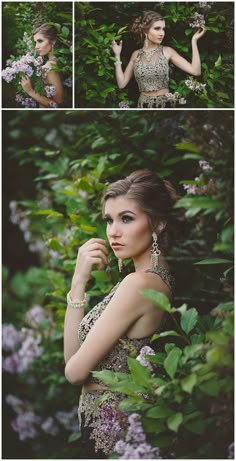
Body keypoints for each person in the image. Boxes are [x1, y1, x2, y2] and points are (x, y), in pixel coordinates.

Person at [64, 170, 179, 458]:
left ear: (159, 223)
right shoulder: (156, 279)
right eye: (109, 220)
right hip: (108, 426)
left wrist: (78, 283)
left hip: (112, 432)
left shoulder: (139, 284)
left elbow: (74, 371)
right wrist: (77, 285)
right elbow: (74, 358)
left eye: (126, 218)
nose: (113, 231)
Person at [111, 10, 206, 108]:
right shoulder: (136, 55)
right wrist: (117, 55)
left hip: (166, 104)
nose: (162, 33)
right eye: (157, 28)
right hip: (143, 105)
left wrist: (194, 41)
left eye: (163, 29)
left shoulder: (167, 51)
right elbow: (121, 84)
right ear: (145, 31)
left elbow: (196, 71)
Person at [20, 23, 64, 108]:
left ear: (53, 42)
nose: (36, 46)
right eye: (35, 42)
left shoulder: (51, 66)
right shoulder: (58, 60)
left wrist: (30, 91)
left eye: (40, 41)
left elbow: (58, 104)